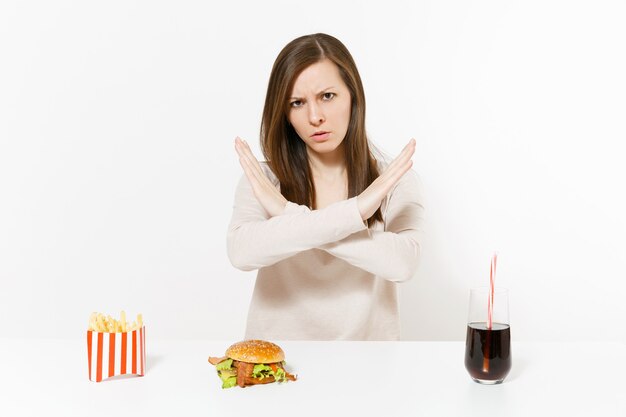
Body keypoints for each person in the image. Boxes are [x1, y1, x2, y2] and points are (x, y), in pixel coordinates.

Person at [227, 33, 424, 341]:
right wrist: (355, 212)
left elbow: (403, 263)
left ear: (353, 96)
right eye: (297, 103)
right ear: (285, 113)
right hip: (278, 368)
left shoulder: (391, 181)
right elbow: (241, 253)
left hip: (370, 367)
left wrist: (286, 213)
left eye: (327, 96)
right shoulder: (264, 180)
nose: (315, 116)